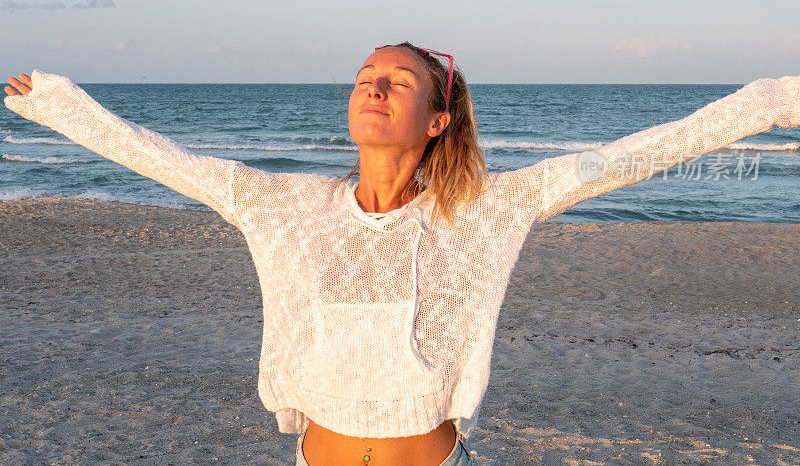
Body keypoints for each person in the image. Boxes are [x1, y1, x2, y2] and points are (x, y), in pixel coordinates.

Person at [5, 44, 800, 466]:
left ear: (436, 120)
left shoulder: (488, 210)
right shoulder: (284, 207)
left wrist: (770, 103)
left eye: (398, 79)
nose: (374, 85)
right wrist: (59, 107)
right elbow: (161, 157)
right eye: (365, 76)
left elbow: (628, 156)